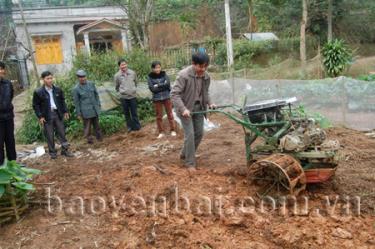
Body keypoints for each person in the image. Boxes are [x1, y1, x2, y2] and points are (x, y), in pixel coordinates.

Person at [171, 52, 216, 170]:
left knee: (199, 133)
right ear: (193, 64)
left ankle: (184, 153)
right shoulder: (184, 75)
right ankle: (190, 163)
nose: (203, 69)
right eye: (201, 66)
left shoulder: (206, 76)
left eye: (205, 66)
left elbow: (206, 92)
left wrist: (210, 102)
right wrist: (183, 109)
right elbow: (174, 94)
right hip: (185, 109)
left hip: (199, 108)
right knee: (190, 134)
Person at [32, 71, 73, 159]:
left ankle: (65, 150)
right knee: (49, 135)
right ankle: (52, 152)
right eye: (48, 78)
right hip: (47, 115)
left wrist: (65, 111)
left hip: (57, 113)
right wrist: (40, 116)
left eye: (51, 78)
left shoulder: (57, 89)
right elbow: (36, 105)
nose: (50, 80)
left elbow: (62, 101)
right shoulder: (38, 92)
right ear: (43, 79)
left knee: (62, 132)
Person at [147, 61, 176, 139]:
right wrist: (163, 86)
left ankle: (173, 130)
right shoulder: (150, 77)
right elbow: (152, 89)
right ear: (152, 68)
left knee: (170, 114)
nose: (157, 69)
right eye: (156, 68)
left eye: (159, 67)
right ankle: (161, 132)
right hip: (157, 99)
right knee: (159, 116)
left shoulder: (164, 74)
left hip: (166, 97)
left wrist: (158, 85)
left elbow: (168, 85)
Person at [72, 70, 102, 144]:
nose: (83, 78)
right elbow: (76, 102)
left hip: (94, 109)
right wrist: (79, 114)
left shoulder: (91, 84)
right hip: (85, 111)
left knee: (97, 125)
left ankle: (100, 139)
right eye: (80, 77)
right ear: (78, 78)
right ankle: (90, 141)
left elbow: (96, 95)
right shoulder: (76, 89)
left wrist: (98, 104)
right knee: (87, 127)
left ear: (86, 76)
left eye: (84, 77)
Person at [114, 59, 141, 132]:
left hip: (132, 96)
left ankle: (137, 126)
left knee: (134, 112)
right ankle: (129, 127)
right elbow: (117, 86)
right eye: (122, 65)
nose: (124, 66)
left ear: (127, 64)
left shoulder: (132, 73)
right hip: (124, 97)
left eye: (125, 64)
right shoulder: (117, 76)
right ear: (119, 66)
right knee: (127, 113)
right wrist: (121, 93)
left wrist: (133, 90)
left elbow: (136, 82)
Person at [0, 61, 17, 166]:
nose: (1, 71)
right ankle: (1, 166)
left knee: (10, 141)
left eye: (2, 68)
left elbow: (11, 96)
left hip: (9, 117)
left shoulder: (7, 83)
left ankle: (13, 164)